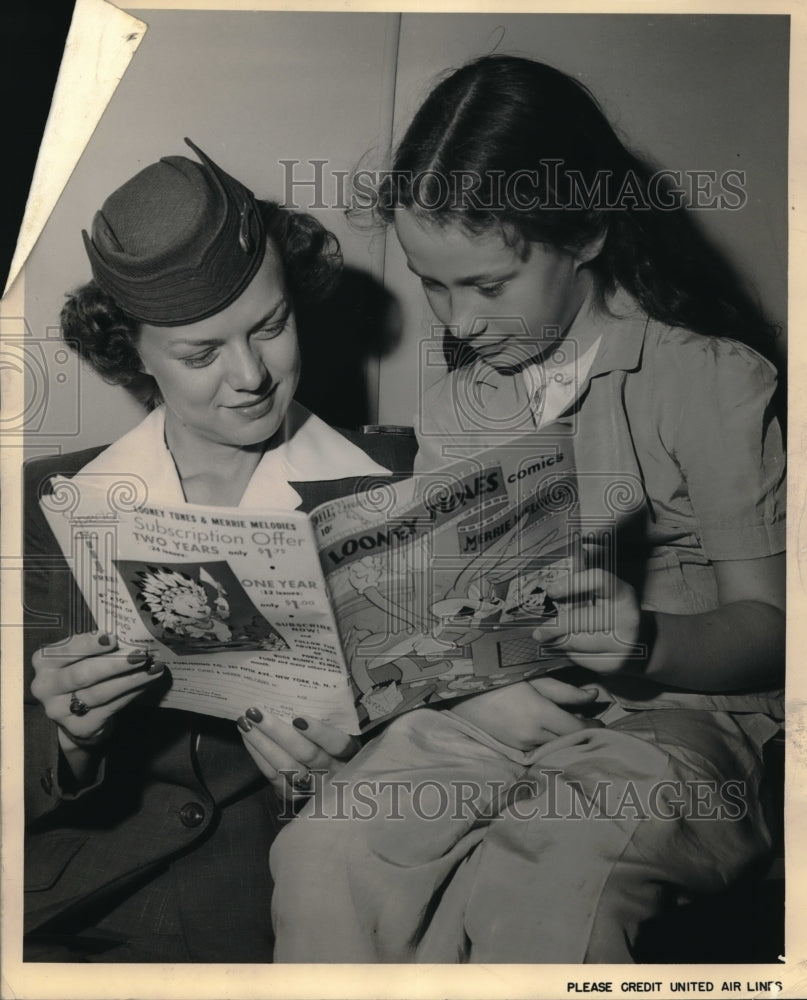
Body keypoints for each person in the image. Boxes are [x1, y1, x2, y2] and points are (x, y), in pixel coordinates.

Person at [269, 55, 786, 963]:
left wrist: (644, 643)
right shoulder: (461, 401)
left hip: (684, 718)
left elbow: (775, 628)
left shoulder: (706, 379)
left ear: (584, 234)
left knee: (548, 877)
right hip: (502, 707)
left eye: (487, 285)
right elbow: (444, 617)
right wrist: (469, 691)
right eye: (434, 285)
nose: (457, 322)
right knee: (325, 853)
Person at [23, 140, 413, 962]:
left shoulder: (390, 492)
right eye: (201, 353)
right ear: (132, 352)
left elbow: (450, 766)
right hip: (66, 921)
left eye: (270, 326)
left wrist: (346, 781)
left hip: (272, 919)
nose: (251, 376)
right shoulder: (43, 504)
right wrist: (67, 742)